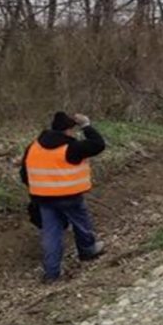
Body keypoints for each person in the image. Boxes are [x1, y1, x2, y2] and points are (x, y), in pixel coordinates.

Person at [20, 111, 106, 282]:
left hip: (43, 198)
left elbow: (24, 173)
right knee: (81, 223)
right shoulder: (71, 148)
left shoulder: (33, 146)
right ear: (68, 130)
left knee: (51, 234)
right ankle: (88, 250)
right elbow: (98, 144)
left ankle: (52, 273)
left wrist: (39, 189)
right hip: (69, 196)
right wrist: (86, 125)